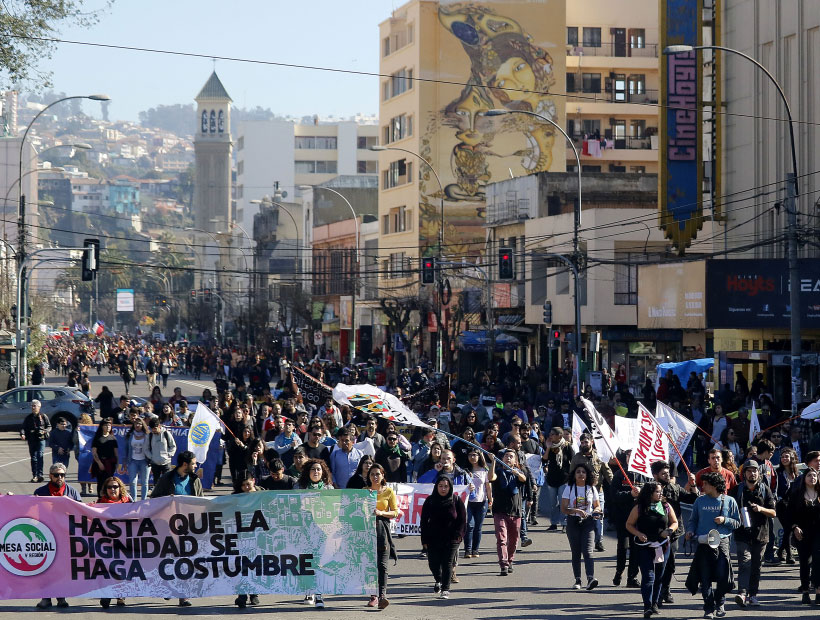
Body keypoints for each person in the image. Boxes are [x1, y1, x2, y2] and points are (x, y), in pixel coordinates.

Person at [685, 471, 741, 619]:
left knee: (723, 576)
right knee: (705, 578)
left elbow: (737, 523)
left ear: (715, 486)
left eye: (706, 484)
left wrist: (725, 520)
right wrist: (690, 532)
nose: (702, 486)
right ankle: (708, 608)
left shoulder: (729, 501)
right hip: (703, 542)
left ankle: (720, 602)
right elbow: (693, 521)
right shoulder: (699, 501)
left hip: (722, 542)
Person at [150, 450, 203, 607]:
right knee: (169, 560)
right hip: (169, 527)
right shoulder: (166, 479)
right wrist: (167, 500)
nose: (195, 466)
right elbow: (154, 499)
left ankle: (183, 595)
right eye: (193, 463)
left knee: (186, 560)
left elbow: (201, 501)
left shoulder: (194, 480)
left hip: (189, 527)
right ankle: (169, 588)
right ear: (185, 464)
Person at [625, 481, 678, 618]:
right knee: (649, 576)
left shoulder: (666, 506)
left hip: (662, 546)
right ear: (649, 493)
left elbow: (675, 522)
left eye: (661, 491)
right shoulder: (639, 507)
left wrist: (669, 530)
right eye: (657, 492)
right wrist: (638, 534)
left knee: (659, 576)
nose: (660, 494)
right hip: (645, 546)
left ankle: (655, 603)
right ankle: (647, 606)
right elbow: (629, 524)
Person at [33, 463, 82, 609]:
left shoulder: (72, 492)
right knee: (46, 568)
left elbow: (81, 512)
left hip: (65, 536)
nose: (59, 477)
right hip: (45, 535)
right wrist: (11, 500)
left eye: (62, 475)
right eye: (56, 475)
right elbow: (28, 508)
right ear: (50, 476)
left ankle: (61, 597)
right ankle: (46, 598)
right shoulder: (40, 491)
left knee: (61, 569)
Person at [652, 459, 699, 605]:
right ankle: (657, 594)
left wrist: (693, 485)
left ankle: (666, 589)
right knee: (660, 564)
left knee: (670, 564)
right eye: (663, 474)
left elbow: (693, 499)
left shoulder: (675, 488)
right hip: (657, 534)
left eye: (668, 473)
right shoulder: (651, 490)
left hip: (674, 533)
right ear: (655, 475)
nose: (667, 476)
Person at [732, 459, 776, 608]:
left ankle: (753, 594)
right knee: (745, 563)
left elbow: (773, 512)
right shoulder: (737, 490)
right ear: (744, 473)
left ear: (759, 472)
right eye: (749, 471)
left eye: (755, 470)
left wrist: (761, 509)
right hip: (742, 533)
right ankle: (742, 593)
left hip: (761, 534)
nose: (752, 473)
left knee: (756, 565)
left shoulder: (765, 489)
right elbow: (728, 509)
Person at [420, 474, 467, 600]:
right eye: (440, 486)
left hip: (451, 538)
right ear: (436, 487)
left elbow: (462, 520)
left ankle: (445, 589)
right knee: (433, 563)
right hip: (433, 537)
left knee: (447, 563)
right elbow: (424, 521)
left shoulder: (456, 500)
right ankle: (438, 580)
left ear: (450, 487)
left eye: (446, 486)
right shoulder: (430, 500)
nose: (443, 489)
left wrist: (459, 535)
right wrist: (424, 540)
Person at [296, 459, 333, 609]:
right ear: (308, 472)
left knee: (319, 562)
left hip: (322, 532)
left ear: (323, 472)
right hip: (304, 531)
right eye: (313, 469)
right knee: (306, 562)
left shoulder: (329, 489)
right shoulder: (299, 488)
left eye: (318, 469)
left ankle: (319, 594)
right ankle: (308, 591)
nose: (316, 472)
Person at [561, 462, 602, 590]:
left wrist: (596, 511)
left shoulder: (591, 488)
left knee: (588, 551)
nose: (581, 474)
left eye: (583, 472)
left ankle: (591, 578)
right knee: (576, 551)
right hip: (573, 521)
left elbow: (597, 505)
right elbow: (564, 508)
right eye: (578, 472)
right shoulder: (569, 488)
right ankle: (578, 580)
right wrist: (576, 511)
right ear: (574, 475)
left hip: (588, 522)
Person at [570, 433, 612, 551]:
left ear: (591, 442)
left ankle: (599, 541)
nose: (584, 444)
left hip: (598, 492)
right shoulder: (576, 458)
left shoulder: (599, 456)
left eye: (586, 442)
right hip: (582, 492)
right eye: (582, 442)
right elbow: (571, 474)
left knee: (598, 516)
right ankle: (584, 540)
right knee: (583, 516)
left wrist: (614, 485)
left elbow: (607, 472)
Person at [489, 449, 527, 576]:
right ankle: (503, 564)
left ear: (515, 460)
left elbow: (523, 479)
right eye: (506, 456)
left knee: (514, 539)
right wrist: (493, 462)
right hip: (500, 510)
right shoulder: (498, 472)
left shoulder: (518, 473)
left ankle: (510, 560)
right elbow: (491, 477)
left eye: (511, 456)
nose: (508, 458)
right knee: (501, 538)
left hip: (515, 511)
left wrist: (516, 473)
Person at [95, 476, 131, 608]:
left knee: (122, 568)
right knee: (107, 569)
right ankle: (107, 594)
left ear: (120, 488)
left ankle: (120, 595)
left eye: (115, 487)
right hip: (106, 543)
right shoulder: (100, 503)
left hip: (124, 543)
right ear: (106, 490)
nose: (112, 489)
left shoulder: (128, 503)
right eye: (109, 487)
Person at [367, 463, 398, 609]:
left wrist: (381, 513)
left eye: (377, 474)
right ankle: (373, 596)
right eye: (372, 474)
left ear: (383, 475)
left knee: (382, 565)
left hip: (382, 532)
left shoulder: (389, 492)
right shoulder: (364, 491)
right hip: (367, 532)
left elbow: (395, 512)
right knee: (370, 565)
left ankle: (382, 595)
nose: (375, 477)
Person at [788, 466, 820, 605]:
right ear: (804, 479)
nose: (812, 478)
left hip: (818, 533)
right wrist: (795, 527)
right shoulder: (797, 494)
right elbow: (789, 514)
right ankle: (805, 591)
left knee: (818, 562)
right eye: (809, 476)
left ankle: (818, 591)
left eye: (814, 476)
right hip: (802, 533)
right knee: (804, 563)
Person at [232, 473, 261, 608]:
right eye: (243, 485)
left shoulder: (263, 494)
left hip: (259, 537)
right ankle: (242, 595)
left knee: (255, 565)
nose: (245, 488)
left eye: (248, 484)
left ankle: (254, 593)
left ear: (253, 481)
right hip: (242, 536)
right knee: (242, 566)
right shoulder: (236, 497)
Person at [541, 426, 574, 531]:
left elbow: (573, 461)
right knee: (553, 503)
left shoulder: (567, 446)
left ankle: (564, 523)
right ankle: (554, 523)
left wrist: (571, 476)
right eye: (550, 434)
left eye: (552, 434)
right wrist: (548, 447)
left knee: (563, 502)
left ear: (559, 436)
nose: (550, 436)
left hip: (564, 479)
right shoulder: (551, 446)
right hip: (551, 478)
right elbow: (544, 459)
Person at [464, 448, 492, 558]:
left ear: (479, 456)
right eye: (470, 455)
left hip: (481, 501)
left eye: (474, 455)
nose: (472, 457)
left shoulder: (484, 470)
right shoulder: (465, 470)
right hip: (468, 502)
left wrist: (490, 499)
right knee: (469, 525)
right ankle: (468, 550)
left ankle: (475, 549)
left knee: (478, 527)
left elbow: (488, 486)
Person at [774, 447, 799, 564]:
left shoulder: (797, 474)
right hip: (781, 504)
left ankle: (781, 551)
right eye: (782, 457)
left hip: (793, 505)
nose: (784, 459)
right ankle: (789, 554)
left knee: (788, 529)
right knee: (788, 528)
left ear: (792, 458)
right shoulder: (778, 472)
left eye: (786, 456)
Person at [21, 399, 50, 483]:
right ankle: (35, 475)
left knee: (40, 456)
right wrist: (22, 434)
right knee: (33, 458)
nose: (33, 407)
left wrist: (45, 431)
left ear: (39, 407)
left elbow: (49, 426)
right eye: (32, 406)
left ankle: (40, 475)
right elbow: (23, 427)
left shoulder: (43, 416)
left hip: (41, 439)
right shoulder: (28, 417)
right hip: (31, 439)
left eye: (35, 405)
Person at [145, 417, 177, 485]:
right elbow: (146, 449)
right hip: (155, 463)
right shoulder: (150, 435)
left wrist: (169, 455)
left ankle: (167, 495)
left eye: (155, 428)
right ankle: (157, 496)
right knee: (156, 483)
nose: (153, 430)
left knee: (167, 482)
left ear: (159, 426)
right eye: (152, 429)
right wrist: (151, 457)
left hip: (166, 462)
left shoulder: (166, 433)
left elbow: (173, 446)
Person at [91, 419, 118, 495]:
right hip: (100, 463)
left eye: (109, 425)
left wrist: (117, 463)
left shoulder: (113, 438)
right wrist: (99, 463)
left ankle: (107, 497)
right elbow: (94, 452)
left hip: (110, 464)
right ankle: (100, 498)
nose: (108, 427)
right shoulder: (97, 438)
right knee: (100, 482)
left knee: (109, 482)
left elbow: (116, 453)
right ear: (102, 426)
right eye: (106, 425)